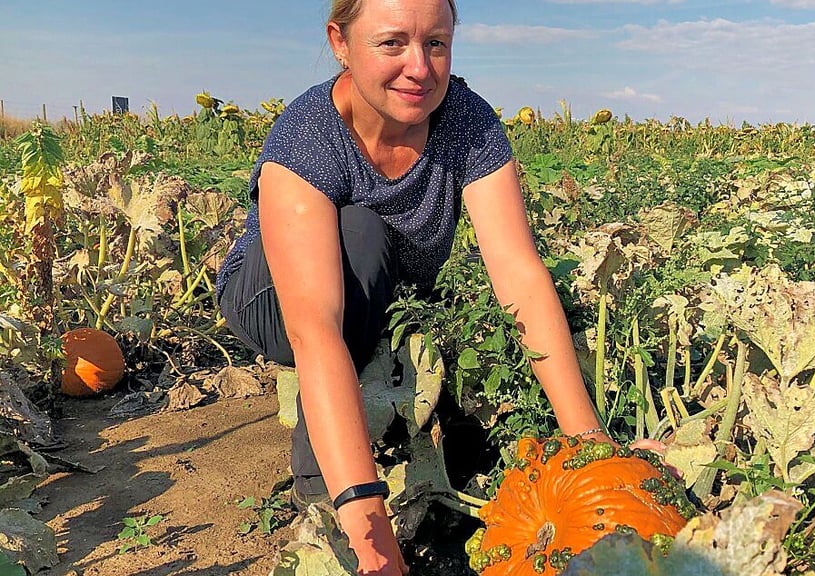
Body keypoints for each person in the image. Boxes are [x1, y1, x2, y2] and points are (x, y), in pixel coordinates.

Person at [215, 0, 608, 573]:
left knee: (401, 291)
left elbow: (518, 272)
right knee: (363, 233)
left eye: (437, 43)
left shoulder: (467, 123)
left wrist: (590, 448)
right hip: (270, 298)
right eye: (392, 43)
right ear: (340, 43)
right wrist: (370, 533)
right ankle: (318, 476)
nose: (420, 68)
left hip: (380, 288)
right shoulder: (307, 138)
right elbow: (316, 329)